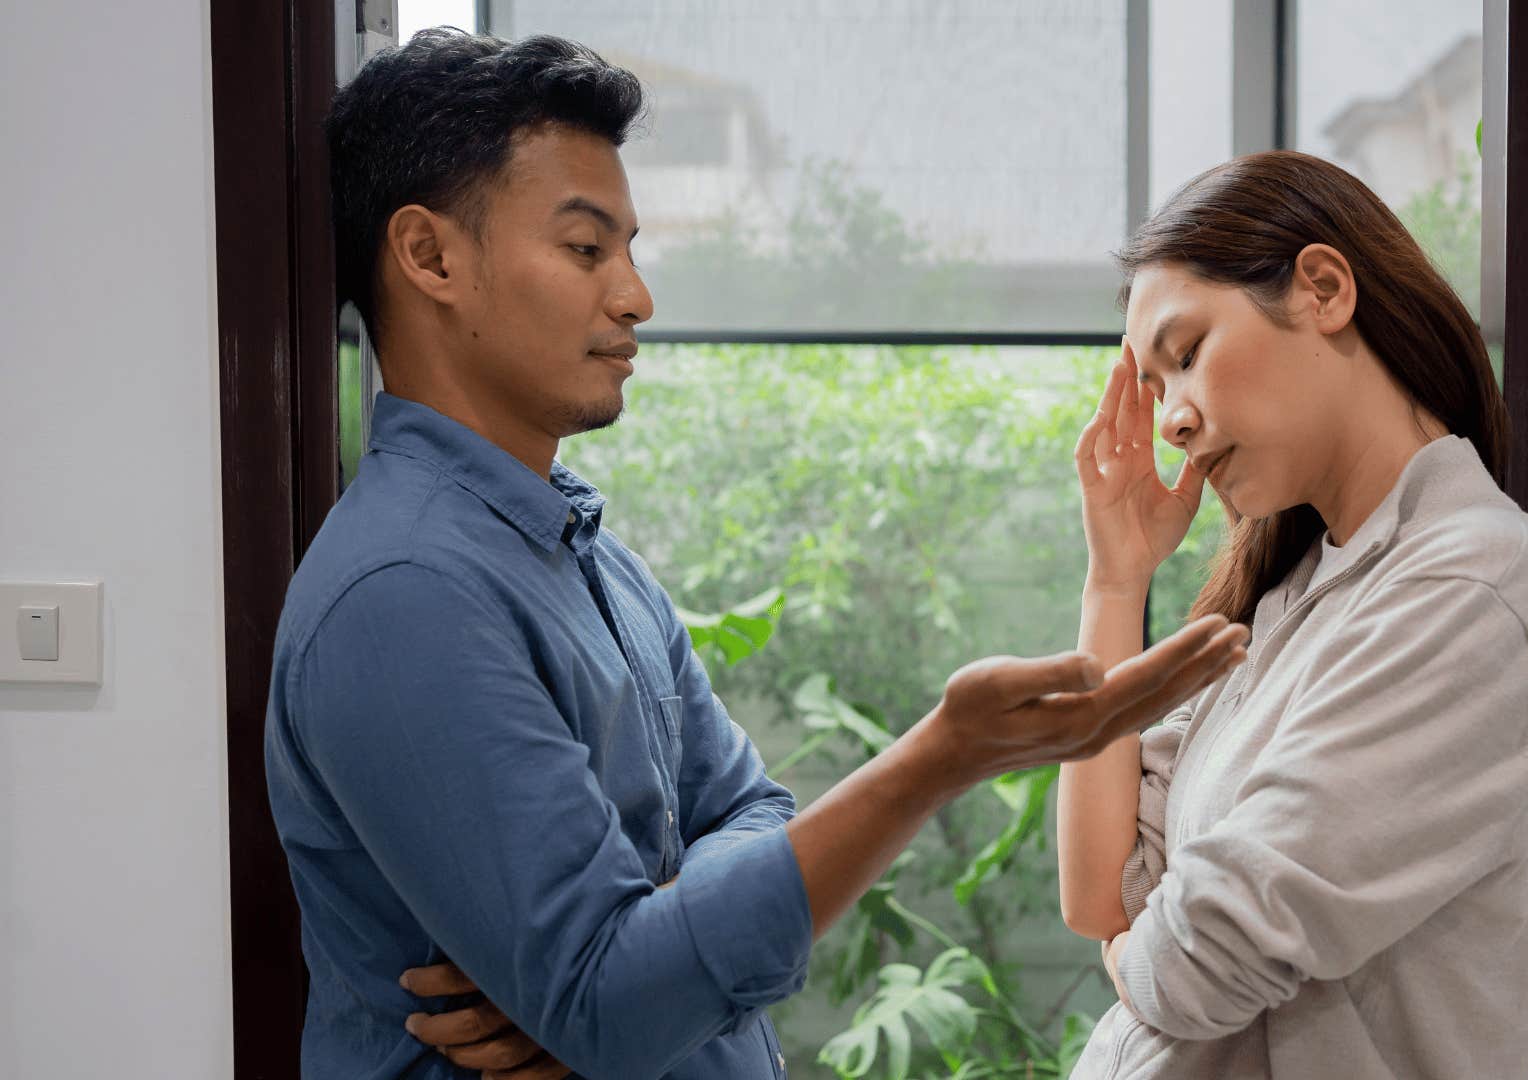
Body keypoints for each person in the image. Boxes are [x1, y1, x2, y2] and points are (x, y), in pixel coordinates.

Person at [264, 29, 1248, 1080]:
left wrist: (623, 981)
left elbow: (750, 814)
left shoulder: (582, 552)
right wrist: (934, 761)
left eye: (629, 251)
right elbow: (615, 1004)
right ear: (431, 257)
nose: (635, 296)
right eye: (588, 250)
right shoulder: (406, 597)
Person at [1055, 150, 1528, 1078]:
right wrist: (1116, 584)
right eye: (1155, 390)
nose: (1172, 419)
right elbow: (1100, 890)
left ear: (1324, 289)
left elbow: (1198, 966)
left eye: (1186, 356)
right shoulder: (1295, 599)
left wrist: (1136, 954)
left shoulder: (1473, 588)